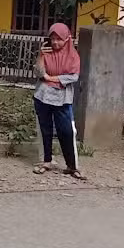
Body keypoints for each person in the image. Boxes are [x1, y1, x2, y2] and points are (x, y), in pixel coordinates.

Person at [32, 23, 86, 180]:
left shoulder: (73, 55)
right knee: (44, 130)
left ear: (67, 39)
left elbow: (73, 76)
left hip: (63, 99)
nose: (55, 43)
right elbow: (38, 73)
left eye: (59, 39)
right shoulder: (46, 53)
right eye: (53, 39)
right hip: (42, 96)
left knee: (67, 131)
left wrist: (51, 78)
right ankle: (46, 161)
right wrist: (41, 56)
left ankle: (73, 166)